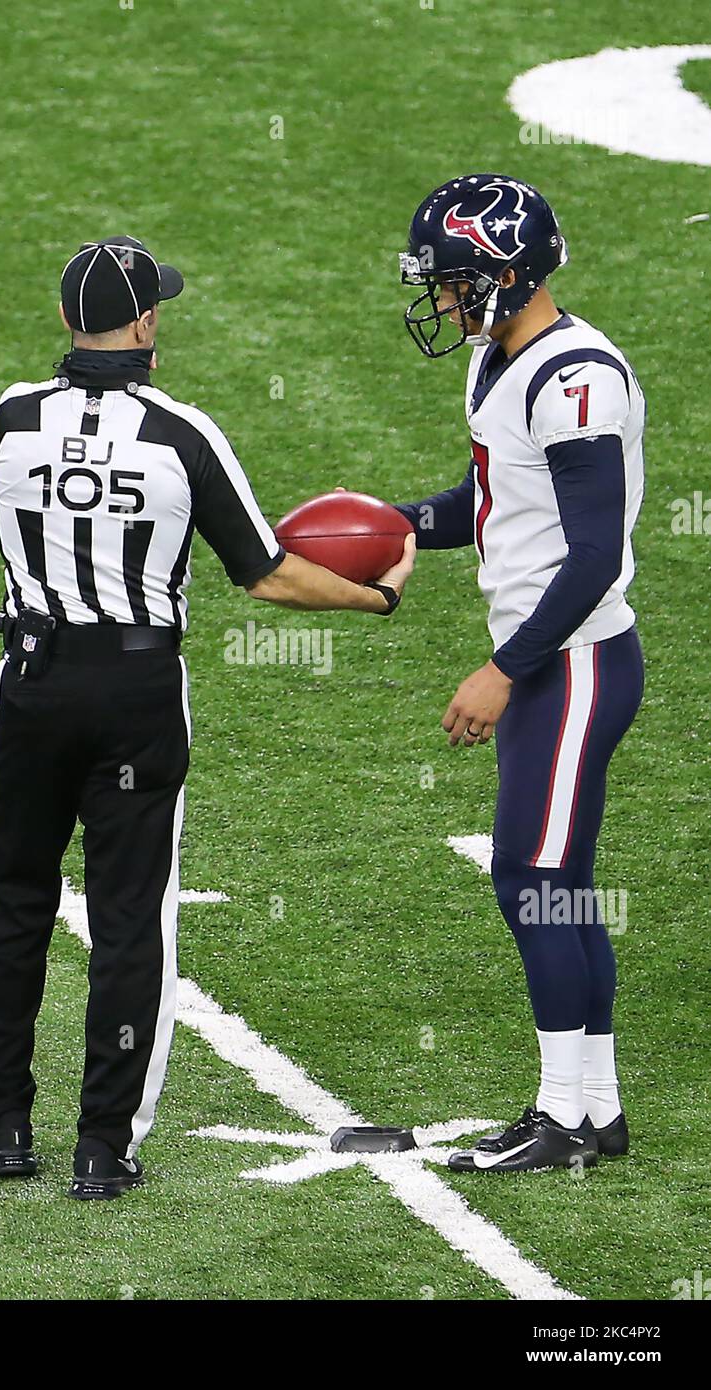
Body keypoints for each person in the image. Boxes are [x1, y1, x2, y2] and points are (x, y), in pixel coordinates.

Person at [0, 234, 415, 1199]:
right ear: (149, 320)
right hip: (135, 693)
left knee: (13, 902)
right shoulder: (181, 435)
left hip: (33, 681)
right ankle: (103, 1146)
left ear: (68, 321)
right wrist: (379, 597)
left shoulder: (9, 416)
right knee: (131, 921)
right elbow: (270, 572)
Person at [395, 175, 645, 1172]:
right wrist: (391, 522)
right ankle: (590, 1109)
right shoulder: (503, 362)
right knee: (558, 886)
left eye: (453, 282)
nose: (443, 300)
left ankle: (564, 1118)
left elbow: (589, 554)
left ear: (504, 273)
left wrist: (502, 668)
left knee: (532, 880)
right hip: (555, 659)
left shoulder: (573, 374)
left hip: (573, 662)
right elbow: (491, 499)